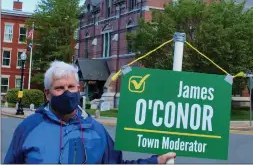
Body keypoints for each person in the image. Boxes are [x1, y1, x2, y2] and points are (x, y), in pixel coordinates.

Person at [4, 61, 176, 164]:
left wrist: (155, 162)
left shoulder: (96, 131)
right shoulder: (28, 128)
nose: (67, 92)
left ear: (79, 89)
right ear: (47, 94)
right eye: (59, 88)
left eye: (71, 87)